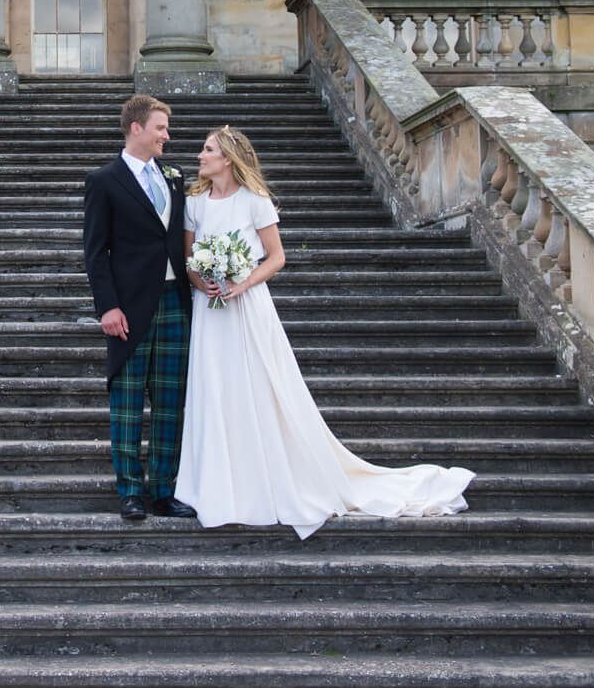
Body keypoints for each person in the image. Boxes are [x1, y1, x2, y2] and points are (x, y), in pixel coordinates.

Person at [175, 124, 473, 538]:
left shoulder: (254, 201)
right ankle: (216, 483)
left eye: (207, 150)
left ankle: (263, 479)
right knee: (213, 389)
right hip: (210, 310)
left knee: (258, 388)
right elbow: (188, 259)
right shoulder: (195, 204)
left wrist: (241, 284)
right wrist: (201, 281)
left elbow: (276, 258)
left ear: (228, 158)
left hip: (247, 308)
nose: (200, 156)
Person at [81, 94, 197, 522]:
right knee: (127, 402)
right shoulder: (104, 180)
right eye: (161, 128)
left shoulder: (174, 176)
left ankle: (164, 491)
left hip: (174, 304)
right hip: (128, 309)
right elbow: (96, 252)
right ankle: (131, 490)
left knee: (171, 402)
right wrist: (107, 307)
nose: (167, 135)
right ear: (137, 129)